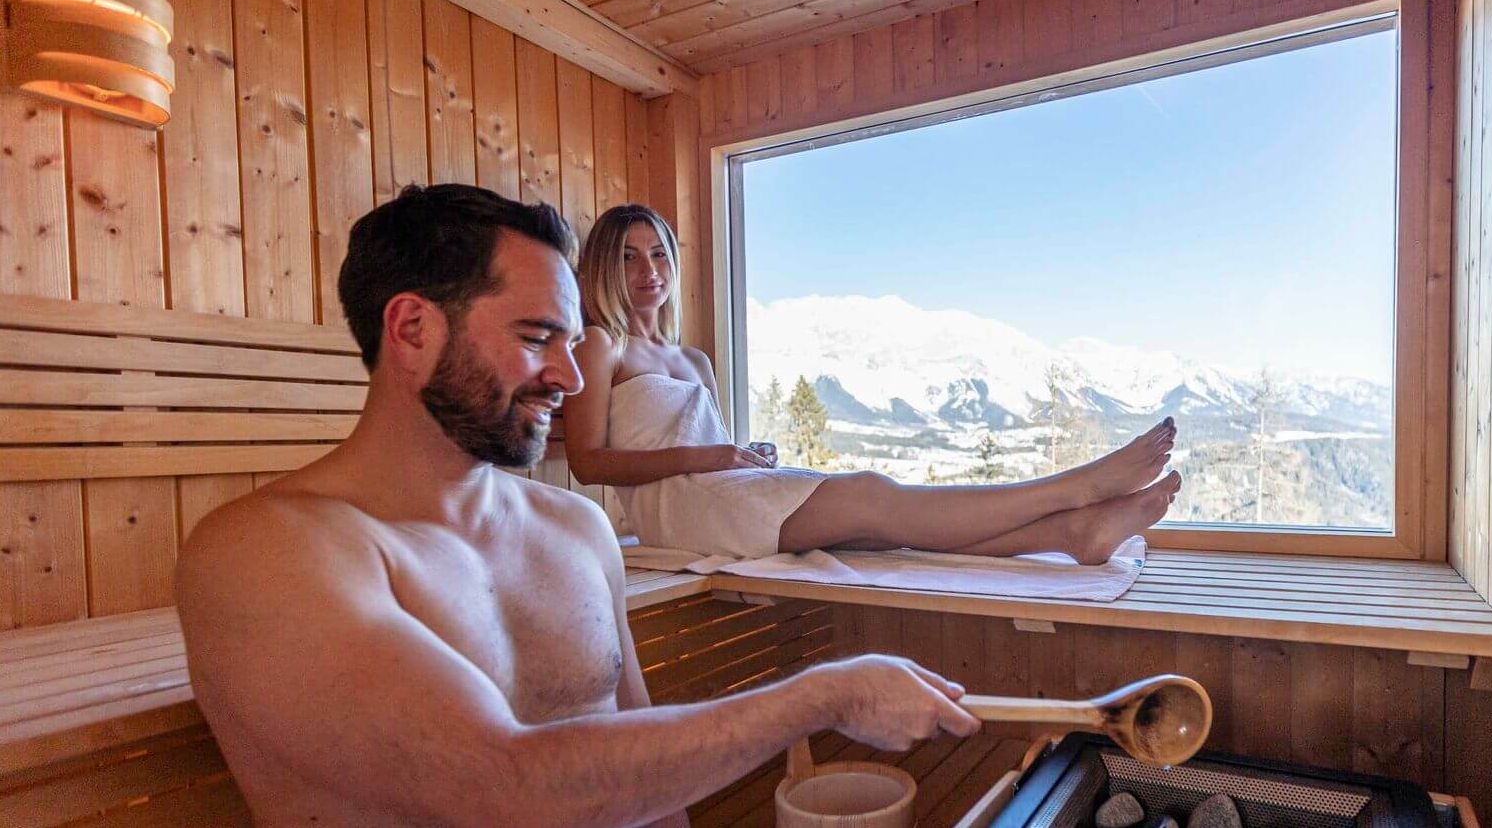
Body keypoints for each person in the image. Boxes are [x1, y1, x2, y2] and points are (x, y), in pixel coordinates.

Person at [175, 184, 981, 828]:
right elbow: (501, 790)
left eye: (570, 340)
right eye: (537, 337)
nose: (572, 377)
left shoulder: (574, 529)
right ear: (413, 329)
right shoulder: (268, 553)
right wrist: (823, 695)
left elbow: (646, 774)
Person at [566, 204, 1183, 566]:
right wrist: (716, 456)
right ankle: (1075, 489)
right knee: (873, 494)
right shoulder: (601, 344)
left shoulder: (694, 359)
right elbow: (587, 461)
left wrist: (743, 454)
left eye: (658, 254)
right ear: (603, 265)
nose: (647, 270)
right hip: (681, 519)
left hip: (722, 496)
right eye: (627, 256)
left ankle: (1071, 533)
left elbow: (716, 453)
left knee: (893, 530)